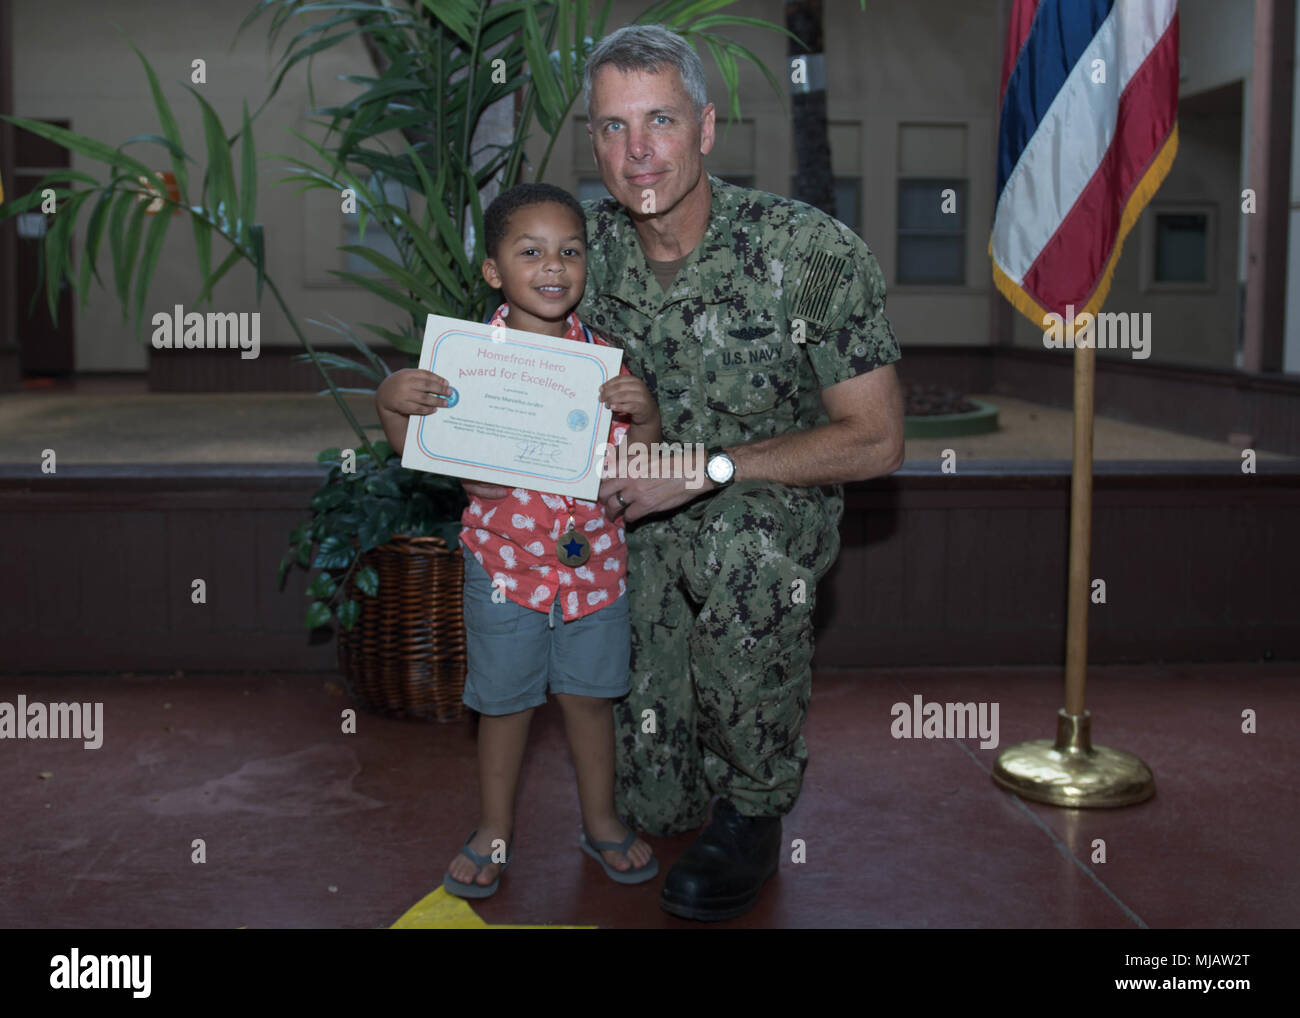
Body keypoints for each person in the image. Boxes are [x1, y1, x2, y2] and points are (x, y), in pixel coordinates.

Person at [574, 24, 906, 921]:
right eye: (611, 127)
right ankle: (683, 772)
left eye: (660, 122)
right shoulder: (579, 258)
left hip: (762, 510)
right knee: (654, 806)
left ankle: (756, 808)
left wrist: (706, 467)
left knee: (737, 544)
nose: (636, 152)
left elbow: (875, 441)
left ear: (707, 128)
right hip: (631, 520)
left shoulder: (809, 255)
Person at [375, 182, 661, 897]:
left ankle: (600, 822)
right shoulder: (462, 365)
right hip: (502, 571)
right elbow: (420, 448)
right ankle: (492, 832)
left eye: (569, 251)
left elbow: (639, 470)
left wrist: (647, 416)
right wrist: (390, 402)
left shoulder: (607, 366)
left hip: (595, 571)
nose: (553, 267)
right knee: (503, 705)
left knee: (591, 701)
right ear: (494, 271)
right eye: (529, 251)